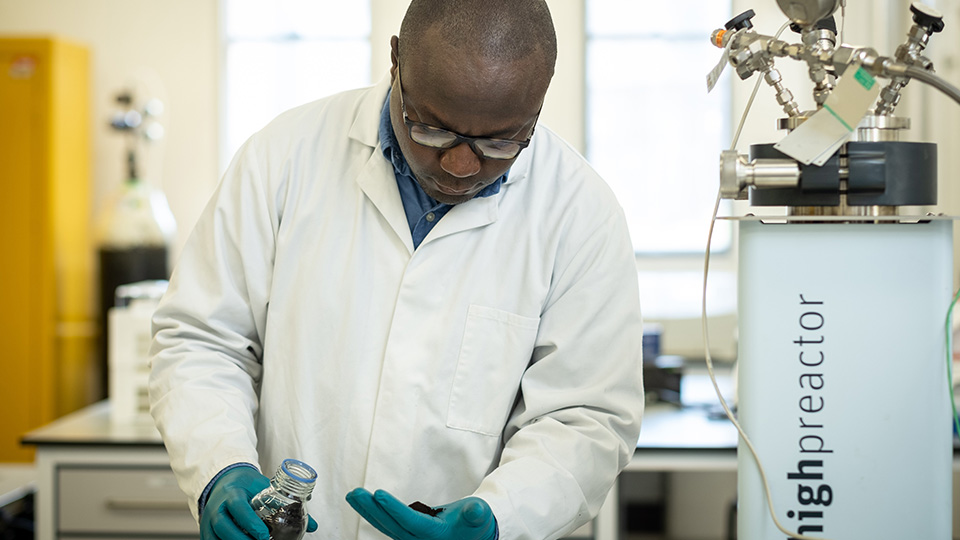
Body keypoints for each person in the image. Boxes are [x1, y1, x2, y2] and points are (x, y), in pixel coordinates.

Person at [148, 1, 644, 539]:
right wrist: (221, 467)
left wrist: (503, 518)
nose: (460, 165)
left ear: (540, 101)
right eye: (432, 129)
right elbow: (201, 340)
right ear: (395, 61)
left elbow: (585, 417)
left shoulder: (581, 213)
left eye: (500, 142)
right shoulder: (283, 159)